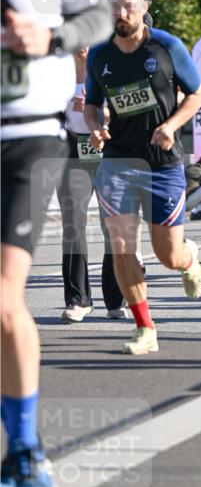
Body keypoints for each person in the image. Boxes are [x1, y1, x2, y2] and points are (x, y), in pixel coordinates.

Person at [1, 0, 113, 487]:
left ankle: (25, 451)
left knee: (1, 295)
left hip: (25, 135)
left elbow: (98, 15)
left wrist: (53, 36)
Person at [84, 0, 201, 356]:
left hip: (162, 163)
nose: (122, 14)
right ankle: (145, 327)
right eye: (115, 8)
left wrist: (170, 126)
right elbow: (91, 104)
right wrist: (96, 128)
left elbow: (197, 94)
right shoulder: (100, 55)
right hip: (118, 160)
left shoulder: (167, 46)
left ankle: (189, 260)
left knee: (166, 254)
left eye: (129, 7)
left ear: (144, 6)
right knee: (121, 246)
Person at [58, 46, 126, 322]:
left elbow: (125, 111)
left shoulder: (107, 69)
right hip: (72, 151)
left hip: (106, 149)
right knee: (72, 223)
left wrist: (98, 110)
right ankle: (78, 300)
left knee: (112, 224)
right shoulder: (57, 74)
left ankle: (115, 299)